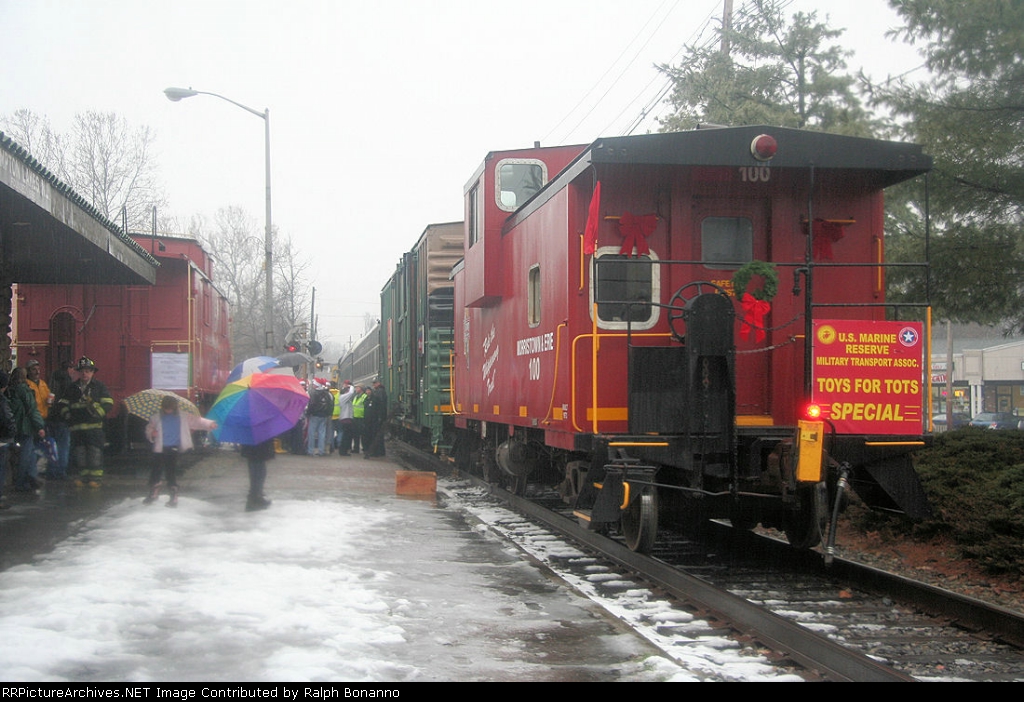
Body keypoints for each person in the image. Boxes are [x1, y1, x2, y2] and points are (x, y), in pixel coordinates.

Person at [144, 395, 217, 507]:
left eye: (171, 409)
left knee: (170, 471)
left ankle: (173, 496)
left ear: (175, 408)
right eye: (166, 409)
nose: (168, 411)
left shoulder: (183, 416)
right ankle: (154, 492)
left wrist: (209, 424)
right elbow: (149, 428)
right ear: (163, 407)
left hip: (173, 447)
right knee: (155, 470)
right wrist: (151, 433)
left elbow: (197, 421)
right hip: (159, 447)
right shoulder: (156, 417)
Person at [58, 357, 113, 488]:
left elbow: (108, 403)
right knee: (80, 454)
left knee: (94, 453)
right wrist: (67, 414)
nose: (85, 374)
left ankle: (95, 479)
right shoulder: (72, 387)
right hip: (77, 429)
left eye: (88, 371)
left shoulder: (99, 387)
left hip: (94, 428)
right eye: (82, 371)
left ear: (93, 373)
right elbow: (62, 404)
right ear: (78, 372)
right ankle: (83, 478)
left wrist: (97, 412)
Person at [7, 367, 45, 493]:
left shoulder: (9, 390)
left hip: (12, 428)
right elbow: (32, 410)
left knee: (19, 454)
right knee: (26, 454)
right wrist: (40, 426)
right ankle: (22, 482)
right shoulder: (24, 390)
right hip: (25, 428)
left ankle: (27, 478)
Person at [46, 360, 74, 480]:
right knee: (63, 446)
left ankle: (51, 470)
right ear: (68, 368)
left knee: (51, 445)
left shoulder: (52, 379)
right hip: (61, 418)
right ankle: (60, 472)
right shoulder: (67, 380)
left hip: (50, 416)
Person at [240, 438, 275, 511]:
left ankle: (255, 496)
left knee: (256, 465)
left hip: (251, 439)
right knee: (259, 468)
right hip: (259, 439)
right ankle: (255, 497)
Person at [0, 371, 17, 509]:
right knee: (1, 469)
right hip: (2, 439)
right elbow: (8, 419)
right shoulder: (2, 400)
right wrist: (12, 432)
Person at [305, 380, 334, 456]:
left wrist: (308, 413)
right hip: (324, 416)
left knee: (311, 433)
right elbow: (330, 405)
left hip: (314, 415)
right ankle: (321, 450)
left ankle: (310, 450)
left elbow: (311, 405)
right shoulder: (327, 394)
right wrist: (328, 414)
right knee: (322, 433)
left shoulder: (314, 393)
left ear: (316, 385)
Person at [363, 380, 388, 458]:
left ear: (379, 383)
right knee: (378, 435)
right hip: (377, 417)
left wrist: (379, 416)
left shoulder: (379, 392)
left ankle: (377, 451)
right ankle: (379, 451)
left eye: (375, 383)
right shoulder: (379, 391)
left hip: (376, 418)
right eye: (373, 383)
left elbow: (379, 405)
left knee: (376, 435)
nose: (373, 385)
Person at [334, 380, 356, 456]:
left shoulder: (345, 399)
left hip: (347, 419)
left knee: (347, 436)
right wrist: (351, 386)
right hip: (345, 419)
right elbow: (351, 393)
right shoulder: (343, 397)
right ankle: (343, 451)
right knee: (345, 436)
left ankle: (344, 450)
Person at [350, 385, 367, 454]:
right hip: (355, 418)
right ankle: (356, 448)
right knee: (355, 434)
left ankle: (365, 448)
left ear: (361, 389)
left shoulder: (364, 397)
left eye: (357, 388)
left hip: (362, 418)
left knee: (363, 434)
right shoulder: (356, 397)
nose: (356, 389)